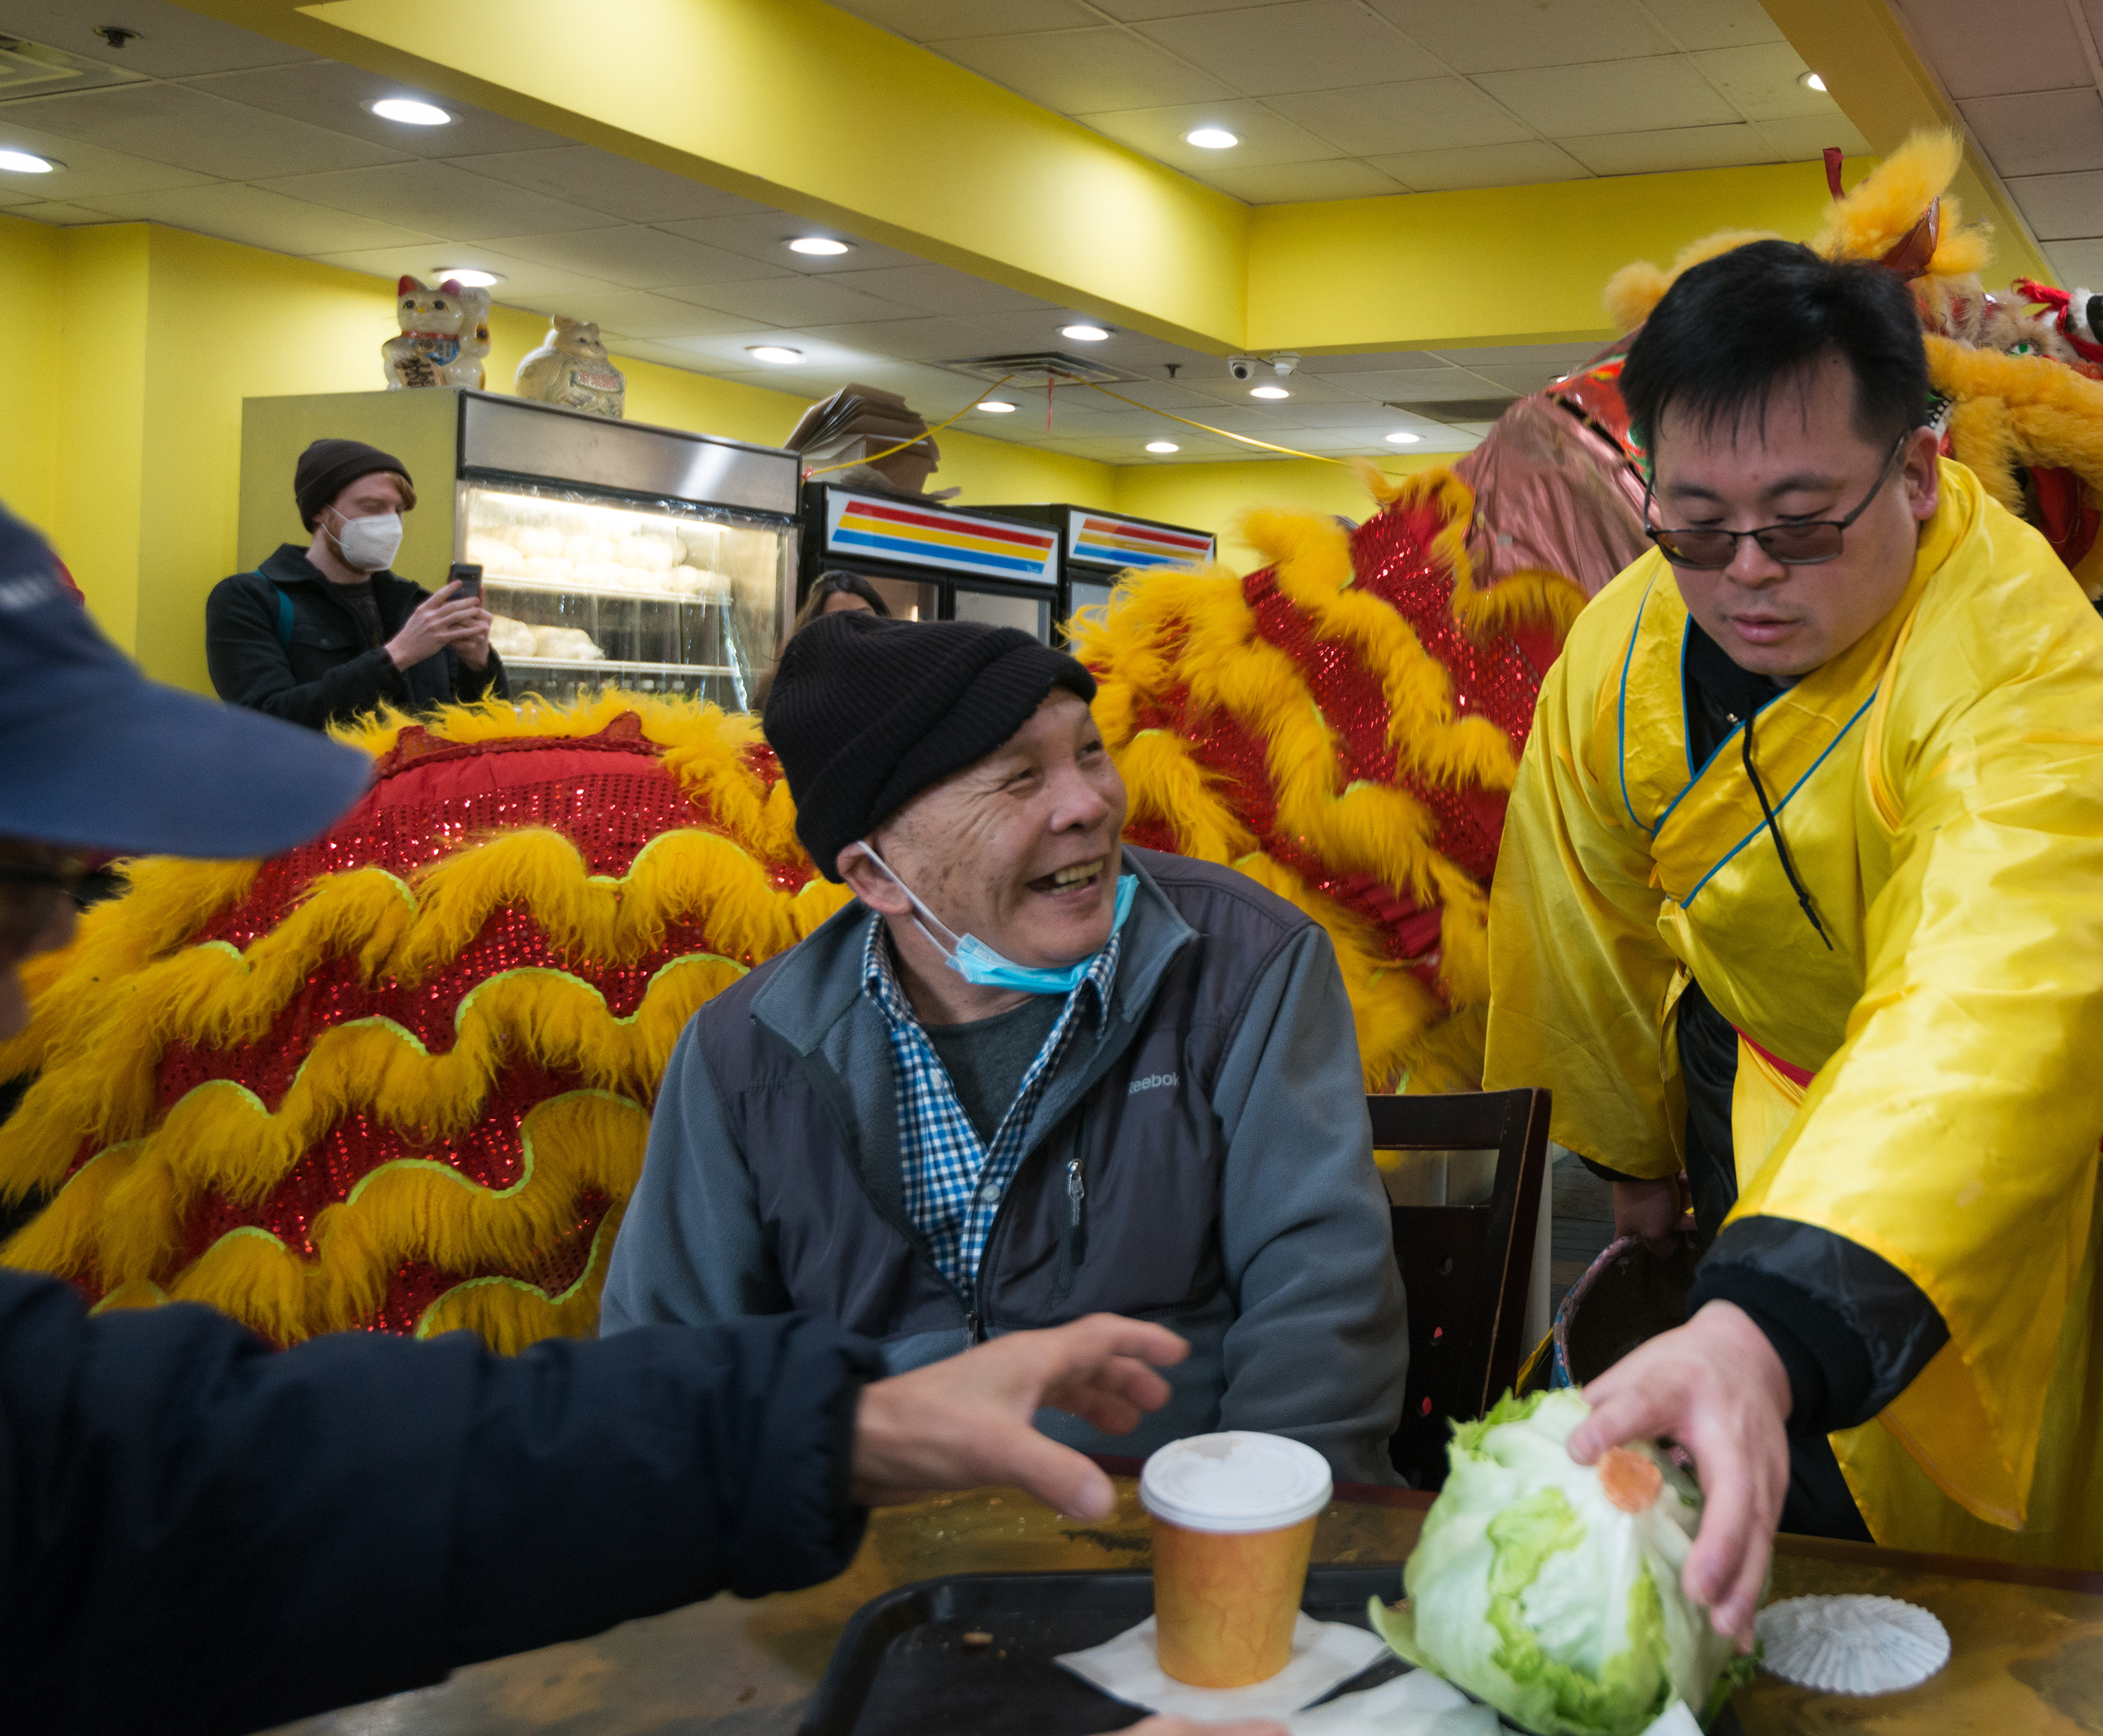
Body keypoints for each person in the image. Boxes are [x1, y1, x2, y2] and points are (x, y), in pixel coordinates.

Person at [0, 500, 1217, 1735]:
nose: (50, 949)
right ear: (868, 868)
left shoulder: (1231, 966)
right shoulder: (749, 1038)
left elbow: (217, 1471)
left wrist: (829, 1426)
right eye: (21, 878)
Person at [1484, 240, 2103, 1637]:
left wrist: (1766, 1322)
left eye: (1800, 521)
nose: (1744, 578)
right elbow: (1575, 900)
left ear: (1914, 470)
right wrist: (1635, 1160)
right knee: (1764, 1557)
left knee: (1993, 1587)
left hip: (2004, 1134)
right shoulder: (1620, 642)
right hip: (1766, 1083)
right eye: (1695, 522)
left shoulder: (2029, 661)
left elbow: (1997, 985)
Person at [602, 614, 1409, 1482]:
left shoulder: (1245, 967)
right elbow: (664, 1372)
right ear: (876, 875)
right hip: (866, 1567)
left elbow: (1319, 1311)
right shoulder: (746, 1056)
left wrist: (1232, 1546)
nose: (1089, 804)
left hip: (1165, 1538)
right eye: (1019, 779)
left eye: (1090, 752)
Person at [205, 438, 504, 727]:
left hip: (420, 779)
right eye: (373, 507)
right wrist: (397, 655)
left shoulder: (416, 606)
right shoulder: (249, 598)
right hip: (325, 778)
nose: (392, 524)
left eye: (399, 511)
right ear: (320, 511)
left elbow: (475, 727)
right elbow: (264, 721)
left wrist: (477, 665)